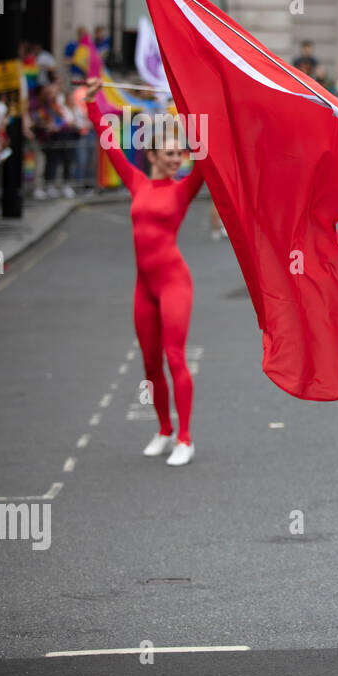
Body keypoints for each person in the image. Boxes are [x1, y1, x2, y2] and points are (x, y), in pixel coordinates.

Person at [87, 77, 204, 466]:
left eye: (180, 154)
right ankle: (164, 430)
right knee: (150, 363)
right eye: (171, 153)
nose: (178, 159)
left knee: (174, 358)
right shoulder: (137, 183)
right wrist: (92, 104)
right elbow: (109, 145)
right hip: (144, 287)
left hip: (174, 282)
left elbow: (208, 155)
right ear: (152, 154)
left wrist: (199, 107)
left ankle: (185, 438)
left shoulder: (183, 189)